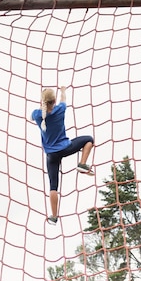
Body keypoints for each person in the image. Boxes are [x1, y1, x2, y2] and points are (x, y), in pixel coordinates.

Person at [31, 86, 94, 225]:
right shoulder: (60, 109)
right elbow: (63, 100)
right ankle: (82, 164)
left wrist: (42, 104)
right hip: (65, 148)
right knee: (89, 139)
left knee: (53, 186)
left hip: (51, 155)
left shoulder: (36, 115)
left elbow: (36, 115)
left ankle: (54, 216)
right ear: (54, 101)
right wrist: (63, 91)